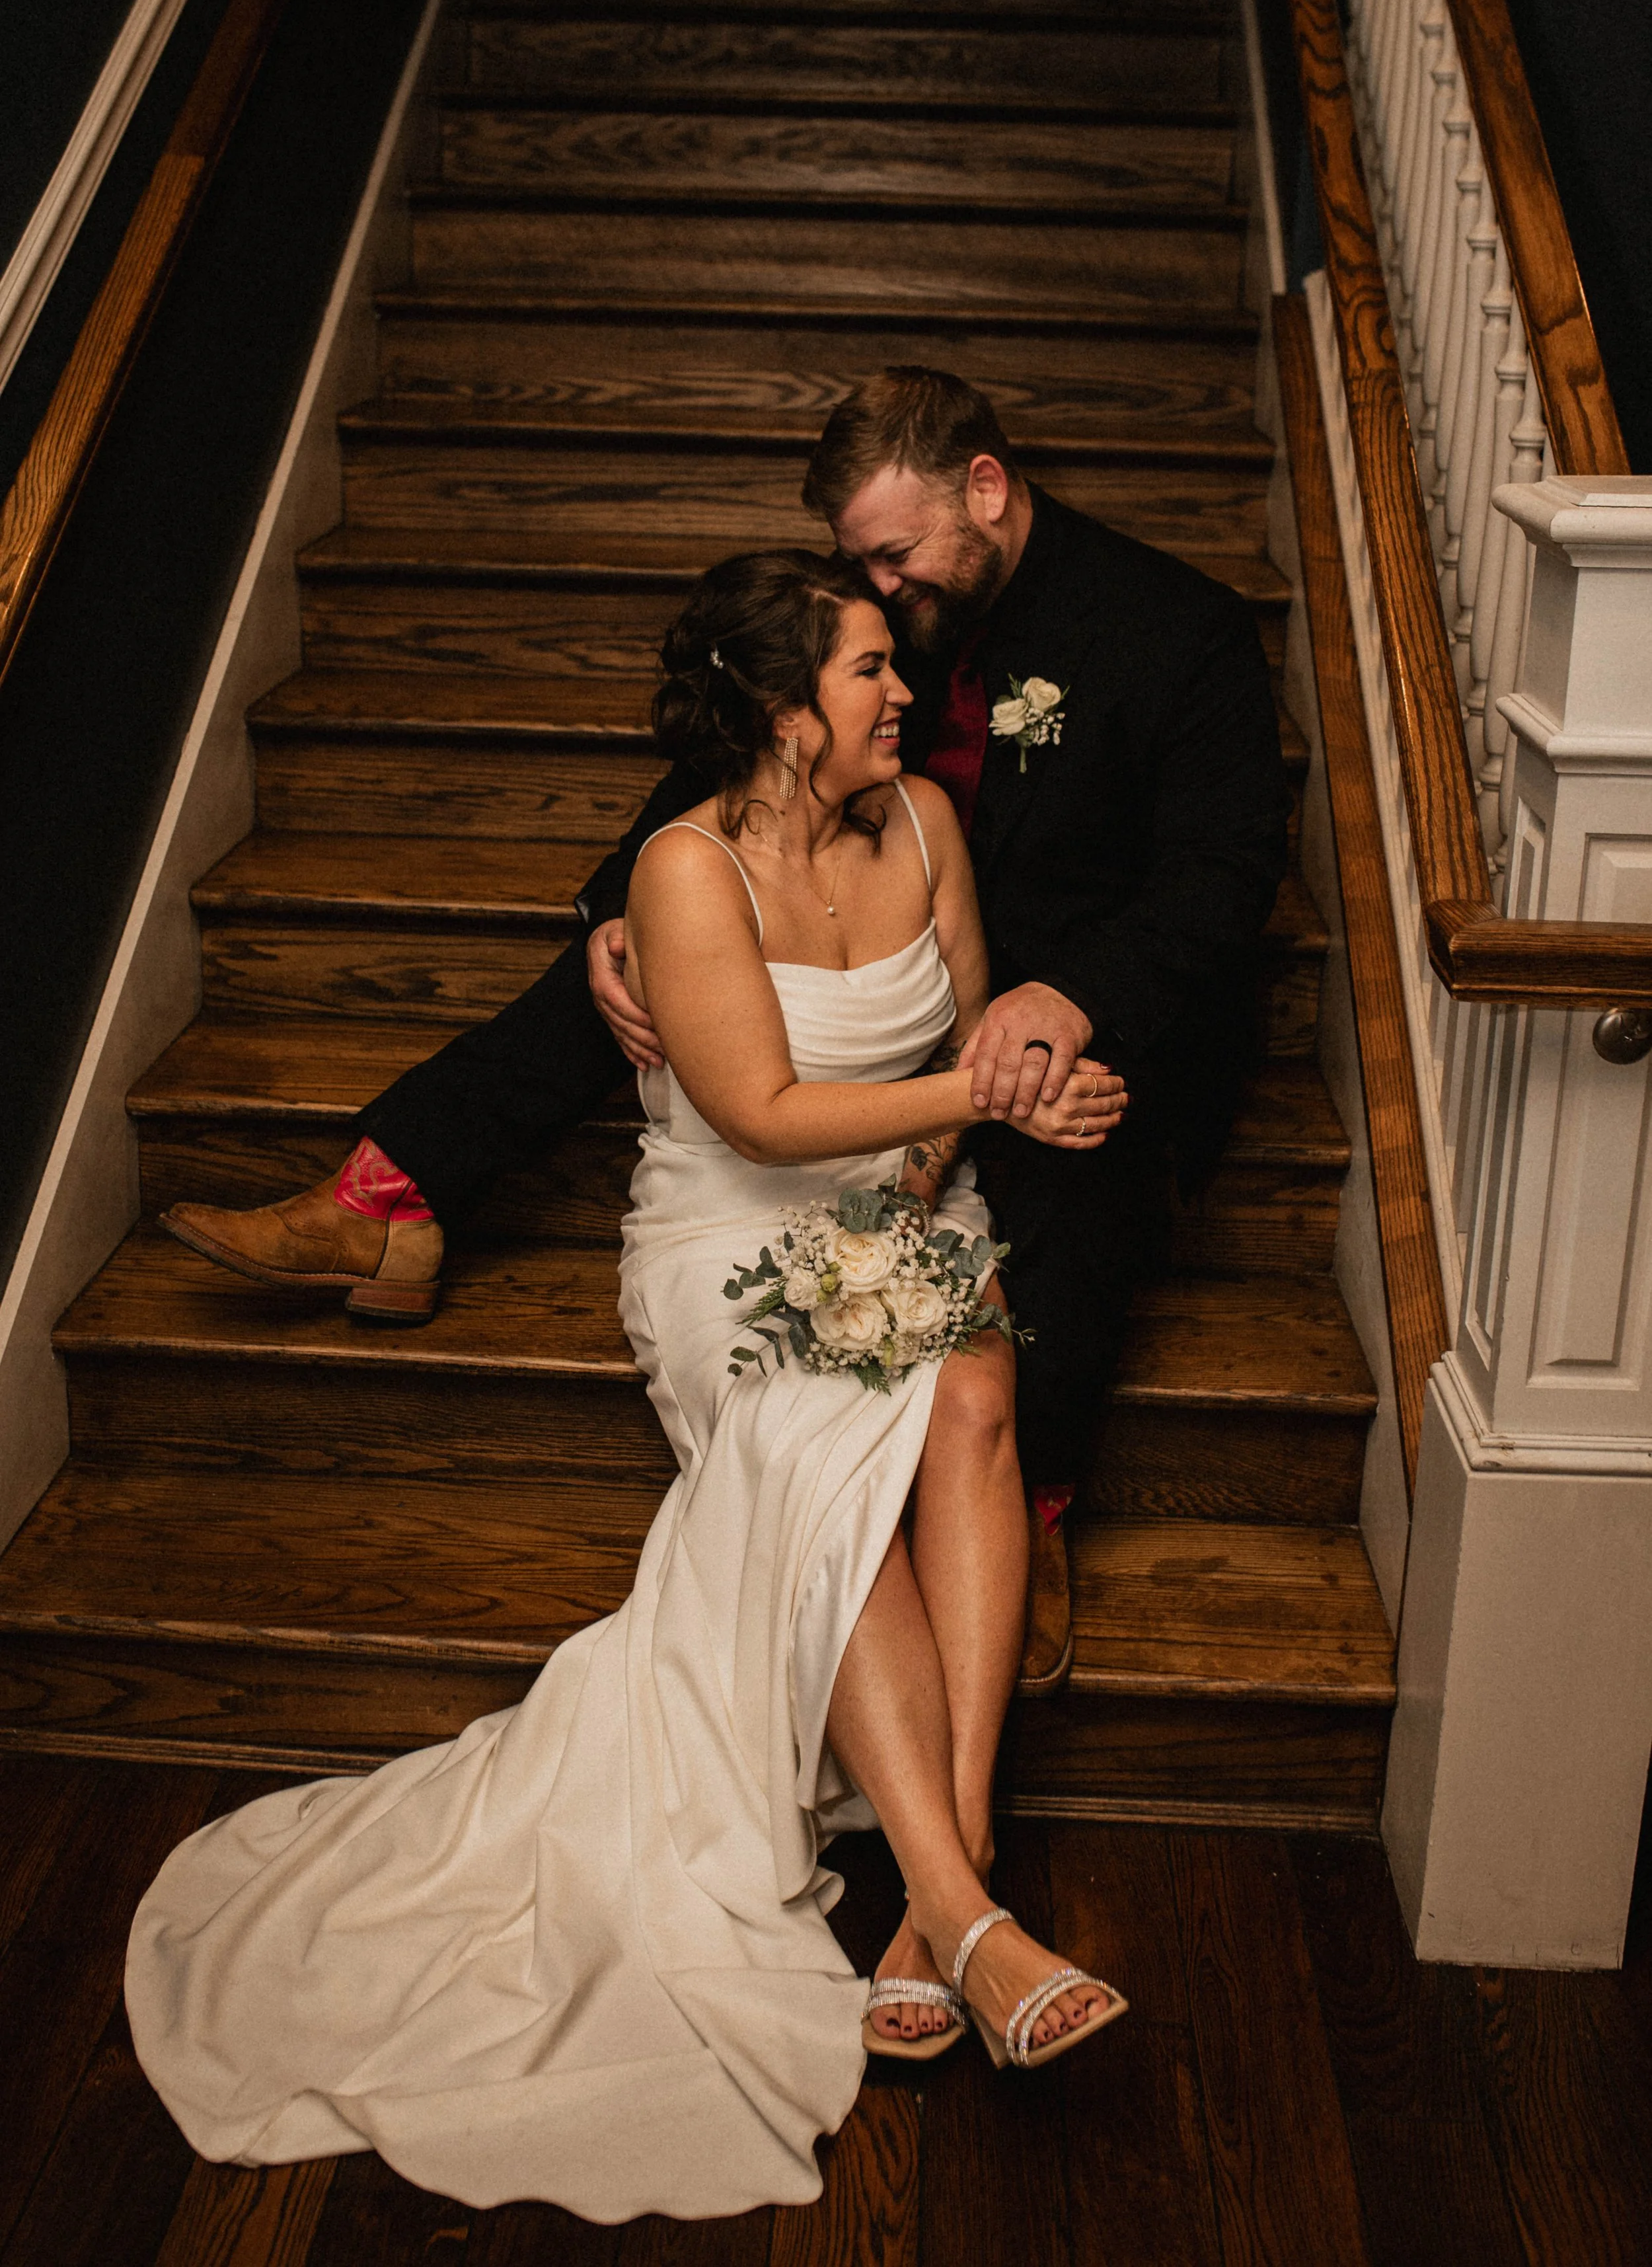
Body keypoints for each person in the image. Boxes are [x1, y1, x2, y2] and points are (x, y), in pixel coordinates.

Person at [127, 553, 1128, 2222]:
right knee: (811, 1445)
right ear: (781, 710)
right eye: (868, 670)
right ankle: (968, 1911)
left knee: (968, 1393)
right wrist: (987, 1099)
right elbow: (753, 1116)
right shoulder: (680, 868)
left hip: (904, 1196)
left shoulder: (930, 827)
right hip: (733, 1229)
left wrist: (936, 1167)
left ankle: (939, 1896)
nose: (904, 693)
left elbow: (950, 1051)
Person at [161, 367, 1289, 1681]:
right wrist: (622, 906)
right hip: (857, 915)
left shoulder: (1178, 631)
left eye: (893, 555)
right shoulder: (894, 598)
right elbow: (749, 754)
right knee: (635, 975)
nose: (879, 587)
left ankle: (1027, 1504)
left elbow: (1222, 876)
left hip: (1078, 989)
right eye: (861, 563)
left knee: (1070, 1168)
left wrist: (1075, 999)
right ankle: (393, 1197)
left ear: (985, 488)